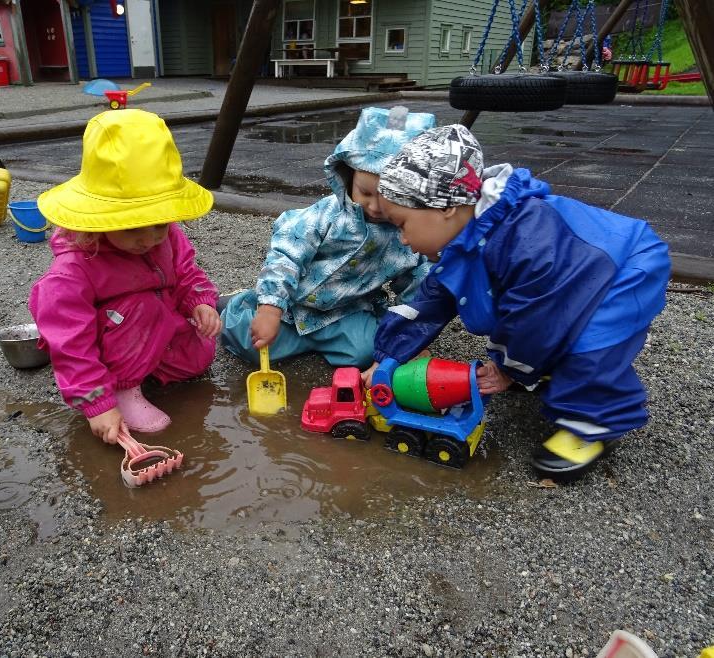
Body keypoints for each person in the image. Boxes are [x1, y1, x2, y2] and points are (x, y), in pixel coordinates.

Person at [365, 124, 670, 480]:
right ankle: (547, 371)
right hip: (575, 275)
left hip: (623, 268)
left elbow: (537, 317)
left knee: (590, 344)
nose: (401, 239)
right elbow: (428, 303)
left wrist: (508, 369)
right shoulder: (465, 237)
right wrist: (387, 357)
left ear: (445, 208)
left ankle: (595, 421)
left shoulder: (524, 239)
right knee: (539, 328)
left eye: (402, 224)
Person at [29, 109, 221, 444]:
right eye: (132, 226)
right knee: (141, 306)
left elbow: (187, 270)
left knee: (199, 355)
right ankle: (121, 390)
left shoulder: (167, 236)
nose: (149, 239)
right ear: (98, 217)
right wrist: (96, 404)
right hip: (117, 337)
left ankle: (146, 369)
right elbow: (70, 343)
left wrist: (200, 301)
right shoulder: (74, 269)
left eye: (160, 222)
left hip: (153, 331)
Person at [219, 106, 437, 369]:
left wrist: (410, 338)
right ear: (347, 176)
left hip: (347, 311)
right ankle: (241, 303)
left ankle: (311, 339)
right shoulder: (326, 215)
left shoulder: (411, 236)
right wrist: (270, 310)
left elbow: (416, 284)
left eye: (390, 197)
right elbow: (287, 254)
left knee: (367, 352)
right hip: (293, 305)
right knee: (250, 342)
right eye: (365, 193)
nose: (376, 207)